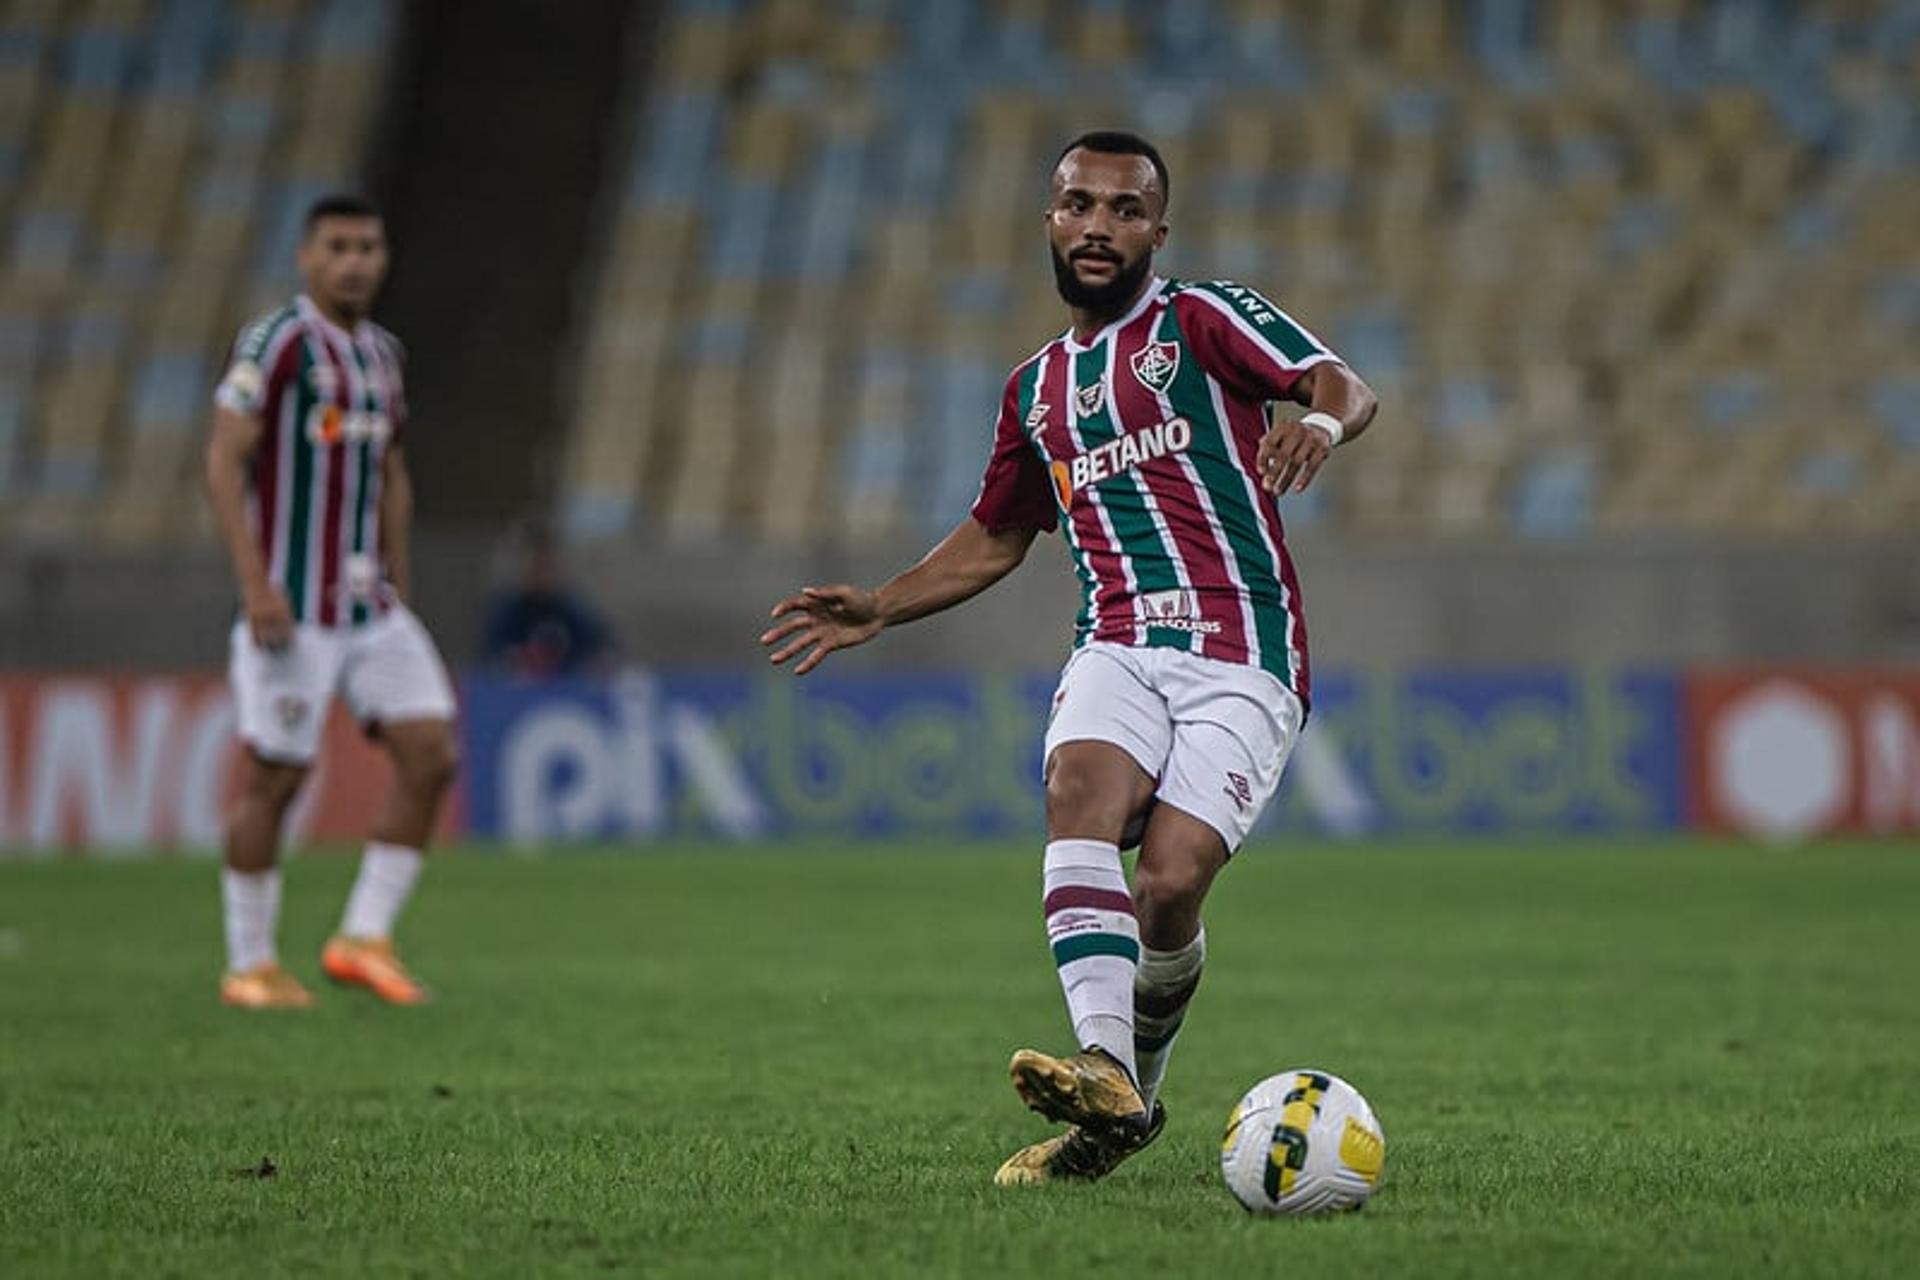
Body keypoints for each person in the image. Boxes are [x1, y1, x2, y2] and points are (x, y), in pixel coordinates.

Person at [760, 131, 1378, 1184]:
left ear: (1157, 231)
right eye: (1080, 204)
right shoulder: (1035, 391)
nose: (1100, 225)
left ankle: (1120, 1105)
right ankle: (1105, 1062)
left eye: (1125, 209)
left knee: (1172, 888)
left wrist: (1319, 421)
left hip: (1245, 647)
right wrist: (883, 603)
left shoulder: (1201, 320)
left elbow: (1341, 380)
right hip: (1118, 641)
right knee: (1076, 785)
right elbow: (998, 532)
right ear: (1049, 221)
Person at [203, 194, 459, 1009]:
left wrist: (400, 584)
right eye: (339, 247)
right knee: (276, 777)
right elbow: (223, 462)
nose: (356, 261)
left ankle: (363, 936)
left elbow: (390, 473)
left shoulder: (383, 352)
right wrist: (255, 585)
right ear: (307, 258)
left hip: (369, 605)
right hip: (293, 606)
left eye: (369, 247)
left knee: (431, 752)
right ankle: (249, 964)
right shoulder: (276, 342)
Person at [481, 522, 615, 678]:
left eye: (548, 567)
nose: (543, 575)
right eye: (537, 567)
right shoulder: (507, 612)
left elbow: (602, 651)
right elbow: (492, 659)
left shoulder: (576, 612)